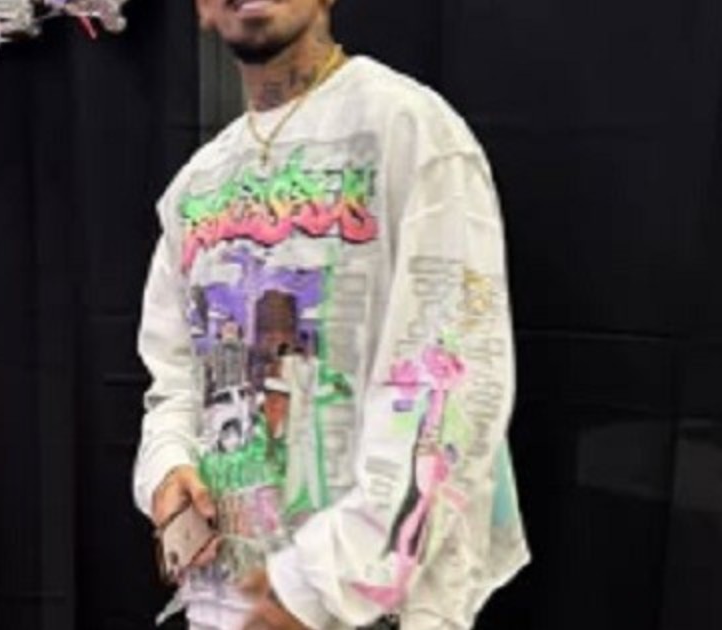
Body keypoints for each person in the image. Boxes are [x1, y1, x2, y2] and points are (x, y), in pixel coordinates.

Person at [132, 0, 530, 628]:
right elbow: (174, 377)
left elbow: (449, 382)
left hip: (372, 608)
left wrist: (311, 587)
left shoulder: (410, 130)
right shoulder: (196, 186)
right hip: (230, 604)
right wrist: (167, 467)